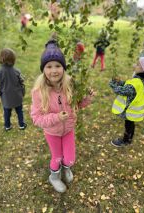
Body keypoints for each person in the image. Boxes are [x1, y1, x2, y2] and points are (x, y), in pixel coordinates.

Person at [30, 40, 95, 193]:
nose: (54, 70)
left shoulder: (69, 85)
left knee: (70, 158)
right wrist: (57, 117)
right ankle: (54, 177)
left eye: (58, 66)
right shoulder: (39, 91)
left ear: (64, 68)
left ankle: (66, 169)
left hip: (68, 130)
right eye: (49, 66)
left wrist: (87, 99)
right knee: (57, 157)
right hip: (52, 132)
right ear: (43, 69)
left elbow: (75, 106)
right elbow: (37, 118)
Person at [109, 56, 144, 147]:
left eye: (138, 65)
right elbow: (128, 85)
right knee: (131, 124)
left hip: (130, 109)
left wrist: (113, 85)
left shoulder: (137, 82)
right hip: (134, 110)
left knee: (128, 125)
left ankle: (125, 141)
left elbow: (123, 91)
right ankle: (129, 138)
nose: (135, 65)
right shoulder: (143, 80)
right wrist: (120, 82)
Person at [0, 48, 27, 131]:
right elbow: (22, 82)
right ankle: (21, 125)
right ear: (13, 59)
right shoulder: (17, 71)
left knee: (7, 113)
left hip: (6, 98)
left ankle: (7, 126)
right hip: (17, 97)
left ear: (1, 59)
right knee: (19, 111)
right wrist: (23, 92)